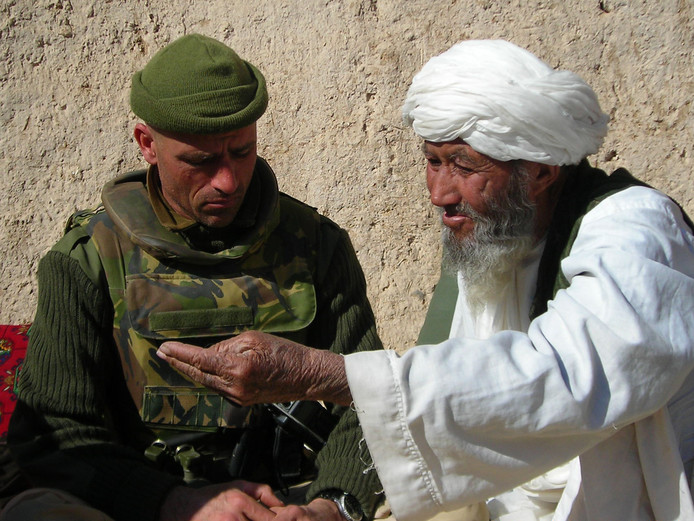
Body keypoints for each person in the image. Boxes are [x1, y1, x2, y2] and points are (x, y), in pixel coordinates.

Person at [156, 39, 694, 521]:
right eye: (432, 162)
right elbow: (455, 407)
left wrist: (323, 375)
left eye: (463, 165)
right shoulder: (489, 244)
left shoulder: (637, 229)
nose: (440, 192)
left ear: (541, 171)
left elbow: (569, 377)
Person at [4, 34, 384, 521]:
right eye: (201, 161)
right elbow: (54, 431)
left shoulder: (317, 245)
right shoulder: (88, 260)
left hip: (294, 499)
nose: (227, 181)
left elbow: (374, 399)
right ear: (147, 144)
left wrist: (331, 506)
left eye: (242, 152)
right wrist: (174, 502)